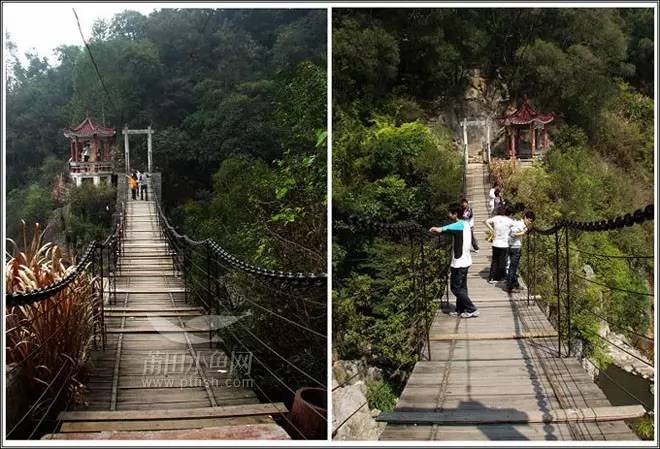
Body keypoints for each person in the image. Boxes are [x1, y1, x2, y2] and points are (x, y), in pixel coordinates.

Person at [429, 204, 479, 318]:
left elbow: (444, 229)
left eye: (450, 213)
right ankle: (460, 309)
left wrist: (435, 229)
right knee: (462, 287)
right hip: (466, 261)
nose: (448, 215)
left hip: (459, 262)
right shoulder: (466, 224)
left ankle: (472, 309)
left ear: (455, 214)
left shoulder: (459, 225)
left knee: (455, 288)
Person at [507, 210, 535, 293]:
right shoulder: (520, 224)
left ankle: (515, 284)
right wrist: (523, 233)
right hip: (514, 247)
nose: (530, 222)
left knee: (515, 268)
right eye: (529, 220)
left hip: (513, 247)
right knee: (513, 268)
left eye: (531, 221)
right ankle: (510, 287)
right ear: (525, 217)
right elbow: (512, 234)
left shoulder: (520, 224)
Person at [485, 205, 514, 284]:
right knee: (502, 262)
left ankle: (491, 277)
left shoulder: (496, 218)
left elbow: (486, 221)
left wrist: (492, 229)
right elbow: (515, 226)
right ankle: (500, 278)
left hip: (495, 243)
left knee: (494, 260)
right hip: (504, 244)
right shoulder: (509, 220)